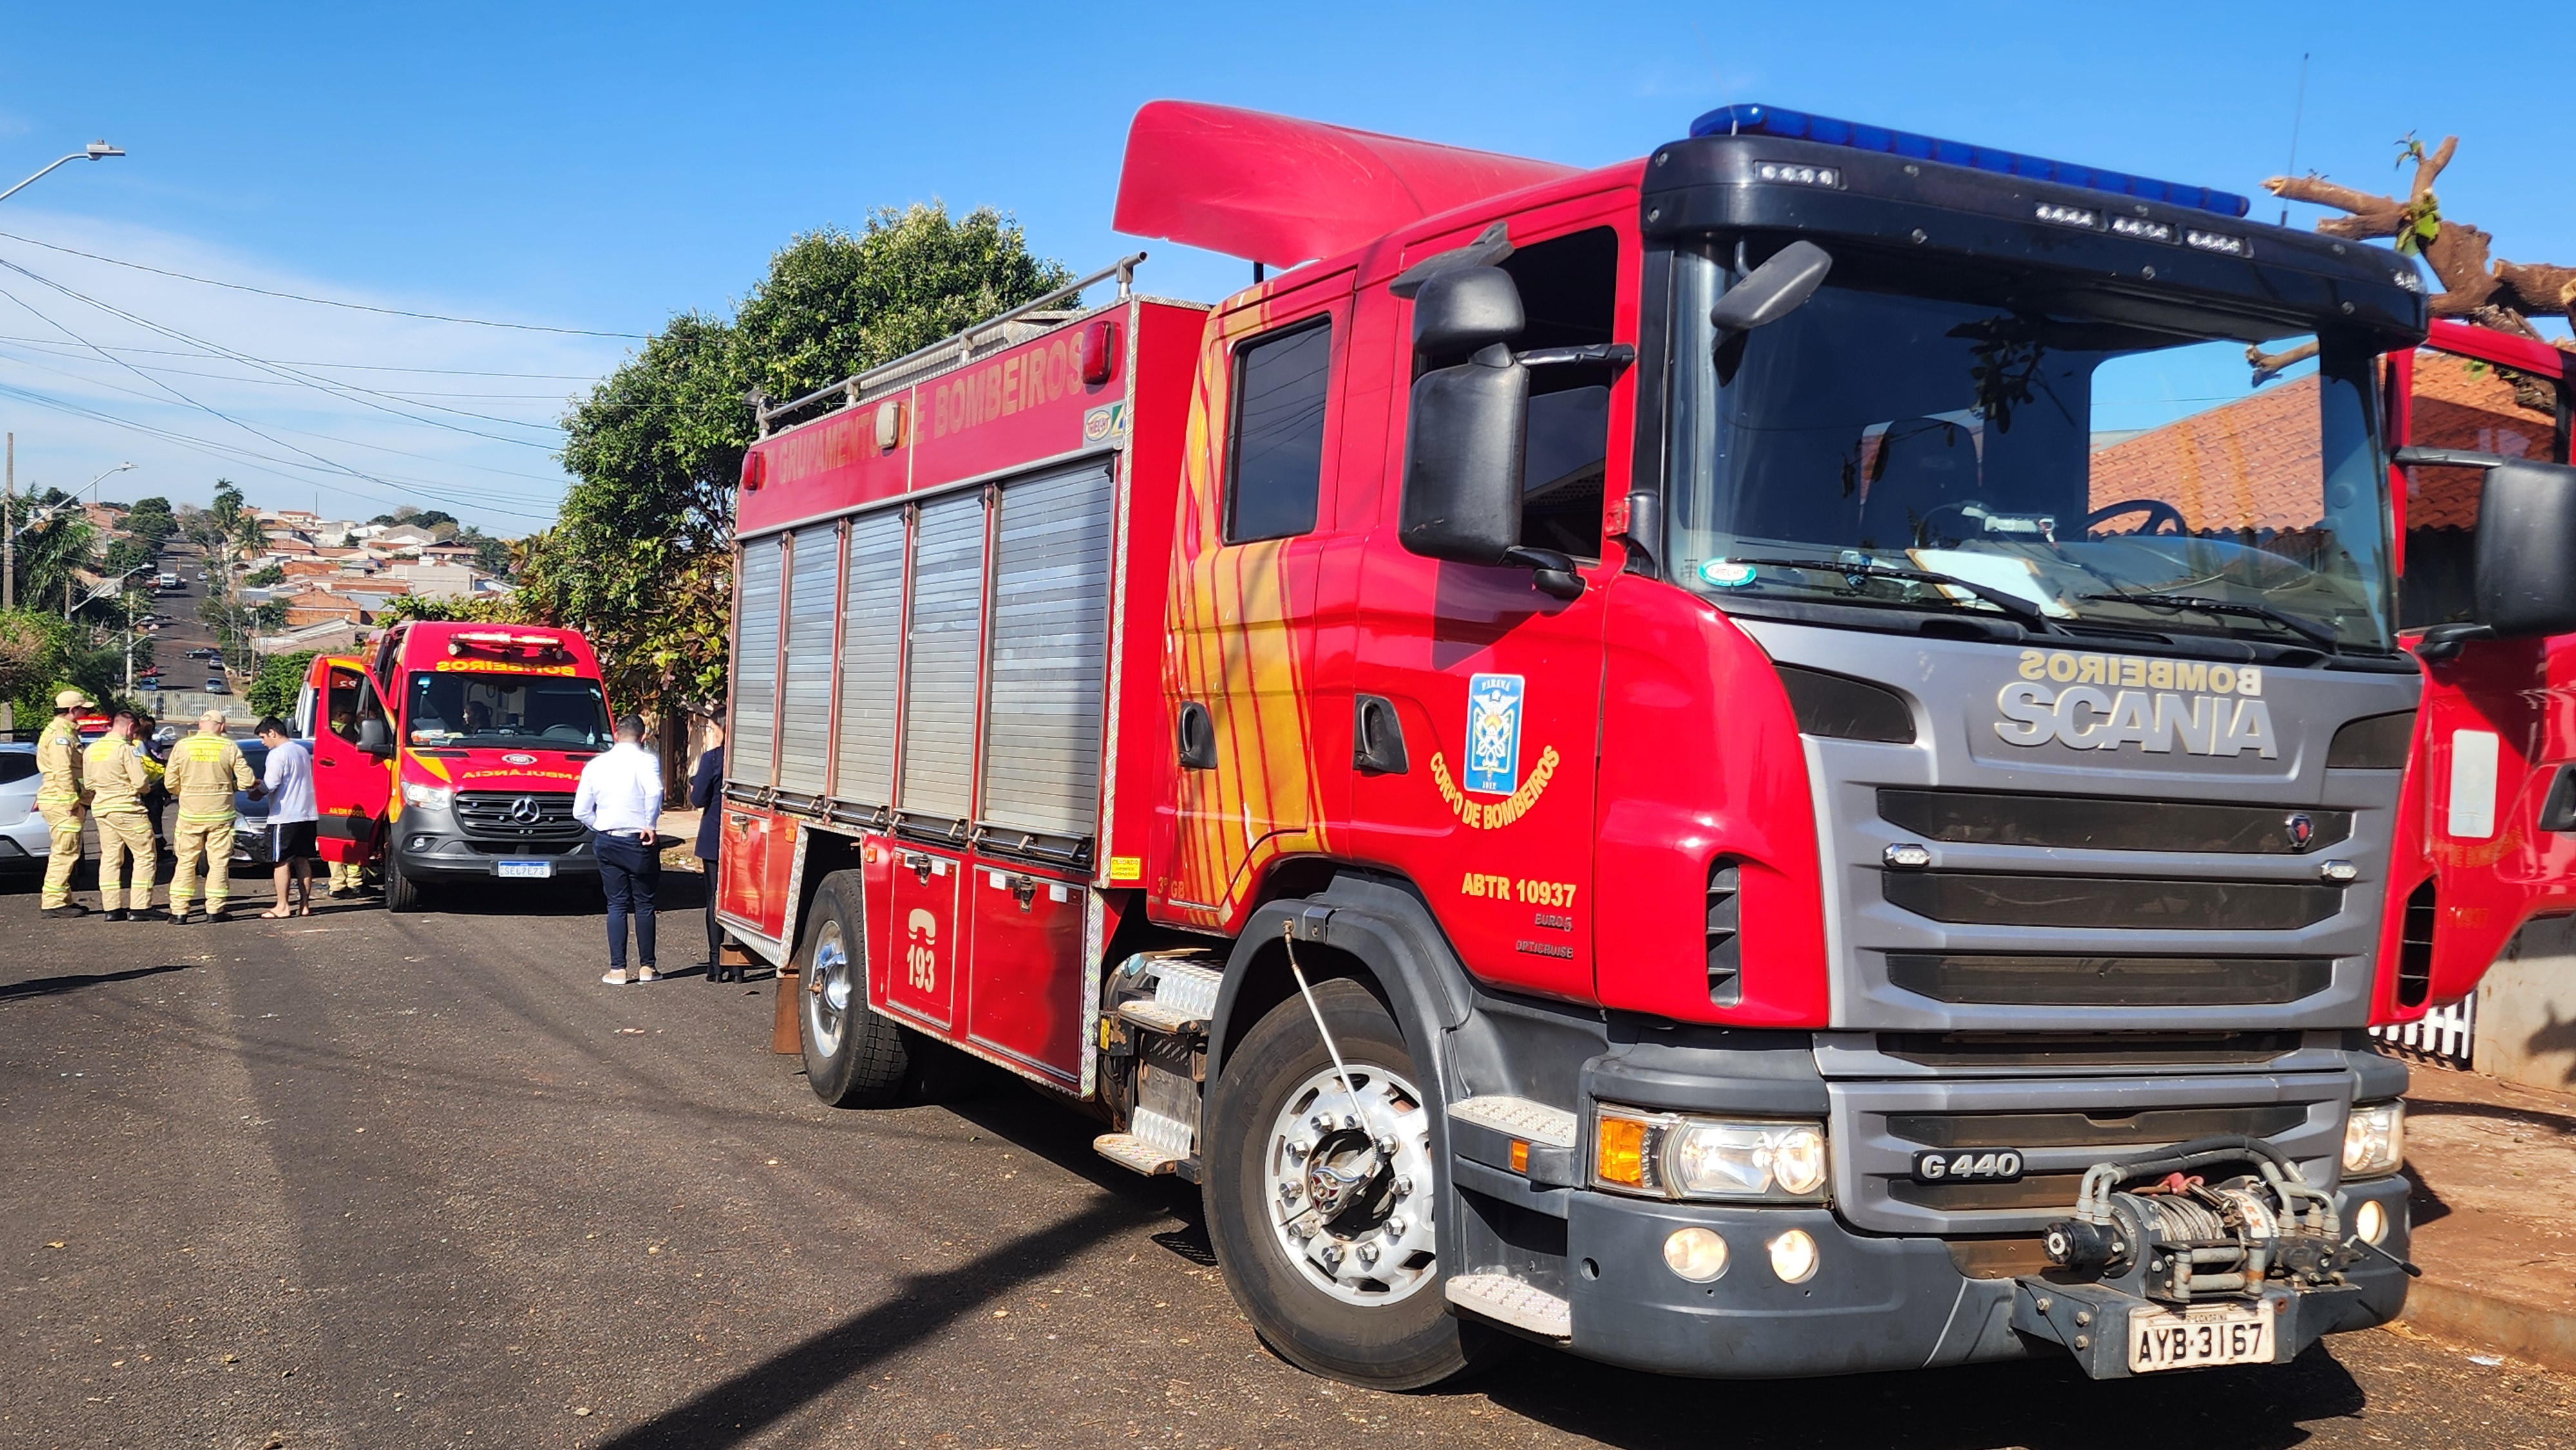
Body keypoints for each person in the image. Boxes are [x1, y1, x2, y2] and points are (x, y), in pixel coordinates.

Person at [574, 714, 665, 984]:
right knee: (645, 903)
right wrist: (650, 824)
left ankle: (618, 969)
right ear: (643, 737)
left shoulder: (596, 765)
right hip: (639, 839)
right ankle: (648, 967)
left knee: (616, 904)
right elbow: (655, 790)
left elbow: (580, 811)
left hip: (608, 838)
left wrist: (600, 825)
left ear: (615, 736)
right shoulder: (646, 759)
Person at [165, 709, 257, 923]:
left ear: (199, 725)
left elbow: (170, 783)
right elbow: (247, 780)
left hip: (190, 814)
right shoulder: (228, 746)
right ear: (222, 727)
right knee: (218, 863)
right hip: (221, 814)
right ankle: (215, 911)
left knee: (186, 862)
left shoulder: (182, 746)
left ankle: (179, 912)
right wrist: (232, 786)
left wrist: (185, 793)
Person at [82, 711, 156, 921]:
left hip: (103, 810)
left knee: (110, 858)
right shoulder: (126, 749)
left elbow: (88, 784)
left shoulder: (92, 749)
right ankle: (141, 907)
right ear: (131, 728)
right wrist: (148, 790)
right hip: (127, 810)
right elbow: (141, 782)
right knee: (145, 856)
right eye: (135, 732)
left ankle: (112, 909)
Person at [33, 688, 92, 918]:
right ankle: (54, 903)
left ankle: (62, 900)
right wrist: (71, 800)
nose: (84, 714)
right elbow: (63, 771)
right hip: (63, 802)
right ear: (72, 710)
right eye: (82, 710)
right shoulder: (61, 735)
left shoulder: (64, 731)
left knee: (69, 851)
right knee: (65, 852)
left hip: (60, 800)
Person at [254, 716, 318, 918]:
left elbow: (271, 783)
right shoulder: (301, 750)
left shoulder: (277, 754)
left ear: (273, 732)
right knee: (303, 860)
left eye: (263, 737)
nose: (263, 742)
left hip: (284, 816)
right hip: (307, 814)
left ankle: (282, 906)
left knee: (280, 861)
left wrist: (256, 792)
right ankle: (305, 905)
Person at [688, 716, 732, 982]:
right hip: (746, 837)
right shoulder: (751, 758)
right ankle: (738, 960)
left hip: (715, 835)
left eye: (714, 729)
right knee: (740, 898)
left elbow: (698, 797)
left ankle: (716, 961)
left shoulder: (713, 758)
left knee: (715, 897)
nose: (713, 734)